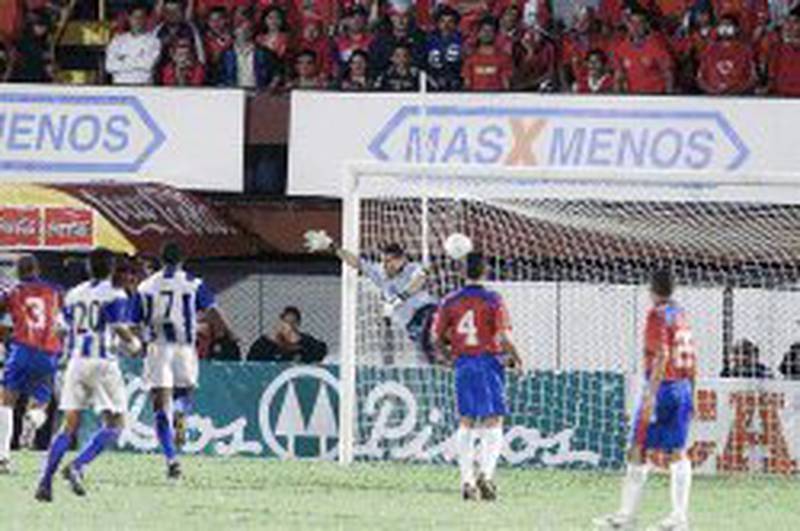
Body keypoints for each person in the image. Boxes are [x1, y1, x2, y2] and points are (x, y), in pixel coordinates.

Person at [34, 249, 142, 503]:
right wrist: (134, 343)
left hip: (76, 363)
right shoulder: (115, 294)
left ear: (88, 268)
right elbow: (118, 328)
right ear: (112, 268)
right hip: (103, 363)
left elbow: (59, 329)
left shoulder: (73, 294)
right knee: (116, 424)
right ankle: (78, 465)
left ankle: (44, 481)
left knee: (67, 426)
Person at [595, 269, 696, 531]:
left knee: (637, 449)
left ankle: (626, 517)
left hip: (662, 388)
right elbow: (691, 356)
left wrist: (651, 393)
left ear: (651, 289)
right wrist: (691, 391)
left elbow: (661, 355)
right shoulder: (681, 314)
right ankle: (679, 518)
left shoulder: (656, 314)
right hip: (683, 387)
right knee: (677, 452)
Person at [132, 242, 237, 478]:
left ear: (161, 259)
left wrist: (139, 344)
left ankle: (171, 459)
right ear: (182, 260)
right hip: (184, 349)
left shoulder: (146, 286)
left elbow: (134, 321)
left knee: (159, 406)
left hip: (158, 349)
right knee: (183, 394)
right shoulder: (193, 283)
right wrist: (229, 332)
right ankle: (180, 411)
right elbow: (212, 310)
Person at [432, 252, 522, 501]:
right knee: (493, 420)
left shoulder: (450, 300)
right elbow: (504, 337)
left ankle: (467, 481)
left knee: (466, 421)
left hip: (463, 363)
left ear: (463, 273)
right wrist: (518, 358)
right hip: (488, 362)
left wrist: (448, 358)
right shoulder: (493, 299)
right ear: (486, 272)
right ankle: (487, 474)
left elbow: (435, 338)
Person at [304, 230, 438, 363]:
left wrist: (400, 298)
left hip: (427, 311)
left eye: (390, 261)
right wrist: (332, 246)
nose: (386, 265)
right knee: (428, 355)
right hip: (411, 324)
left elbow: (419, 281)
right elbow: (356, 262)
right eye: (384, 260)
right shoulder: (379, 272)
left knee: (434, 340)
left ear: (401, 260)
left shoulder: (413, 268)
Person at [0, 256, 63, 474]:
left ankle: (3, 457)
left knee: (6, 400)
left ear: (18, 271)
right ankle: (33, 419)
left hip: (21, 350)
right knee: (42, 402)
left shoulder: (13, 292)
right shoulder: (54, 291)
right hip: (47, 352)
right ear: (37, 269)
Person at [613, 9, 675, 94]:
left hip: (656, 96)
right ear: (628, 25)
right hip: (634, 97)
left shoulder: (657, 45)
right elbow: (618, 77)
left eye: (640, 23)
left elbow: (668, 74)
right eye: (632, 23)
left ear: (646, 25)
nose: (636, 27)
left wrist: (669, 98)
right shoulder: (621, 48)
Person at [696, 14, 757, 95]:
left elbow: (752, 78)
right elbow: (700, 77)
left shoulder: (745, 50)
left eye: (728, 25)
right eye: (722, 25)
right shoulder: (709, 49)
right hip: (712, 97)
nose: (725, 28)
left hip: (738, 98)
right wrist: (712, 91)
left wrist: (735, 92)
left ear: (736, 29)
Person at [247, 306, 328, 363]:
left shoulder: (305, 342)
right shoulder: (265, 343)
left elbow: (320, 351)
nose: (289, 326)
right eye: (285, 322)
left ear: (298, 324)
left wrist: (296, 342)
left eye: (293, 322)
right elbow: (252, 359)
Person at [105, 5, 162, 85]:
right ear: (129, 18)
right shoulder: (117, 40)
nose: (138, 21)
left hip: (144, 87)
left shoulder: (154, 41)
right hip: (119, 86)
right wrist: (138, 60)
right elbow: (109, 66)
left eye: (141, 17)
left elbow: (148, 65)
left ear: (146, 19)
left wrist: (123, 59)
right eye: (134, 17)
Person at [462, 16, 513, 91]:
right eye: (484, 30)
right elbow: (467, 84)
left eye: (490, 31)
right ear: (478, 34)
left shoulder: (504, 58)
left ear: (495, 34)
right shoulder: (470, 58)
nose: (487, 34)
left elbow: (506, 84)